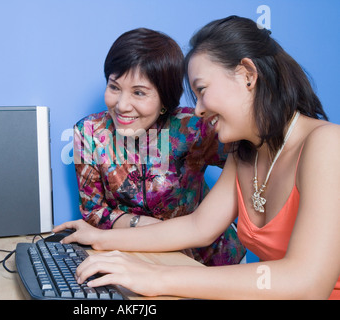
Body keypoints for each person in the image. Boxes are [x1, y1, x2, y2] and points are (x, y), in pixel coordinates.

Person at [56, 16, 340, 299]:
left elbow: (308, 283)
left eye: (202, 91)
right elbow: (198, 227)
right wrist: (101, 238)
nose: (199, 110)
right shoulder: (245, 152)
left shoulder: (327, 144)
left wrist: (157, 277)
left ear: (247, 76)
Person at [72, 27, 246, 266]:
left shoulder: (195, 128)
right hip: (138, 258)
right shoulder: (89, 132)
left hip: (210, 261)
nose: (122, 105)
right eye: (114, 87)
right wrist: (148, 226)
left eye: (139, 93)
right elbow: (93, 211)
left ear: (165, 98)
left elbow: (251, 163)